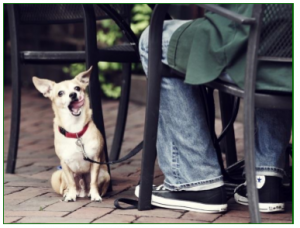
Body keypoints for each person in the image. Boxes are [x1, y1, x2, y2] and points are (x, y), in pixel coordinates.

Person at [135, 4, 292, 213]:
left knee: (154, 39)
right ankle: (265, 178)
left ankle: (195, 180)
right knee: (275, 42)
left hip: (243, 42)